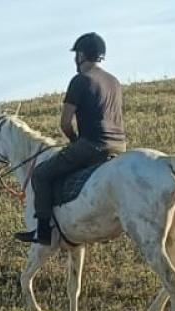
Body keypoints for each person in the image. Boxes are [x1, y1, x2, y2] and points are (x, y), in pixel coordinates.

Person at [16, 33, 126, 246]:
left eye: (76, 54)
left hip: (92, 145)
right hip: (120, 146)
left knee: (40, 174)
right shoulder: (114, 81)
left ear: (82, 55)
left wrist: (75, 140)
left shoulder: (80, 80)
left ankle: (43, 232)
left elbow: (65, 123)